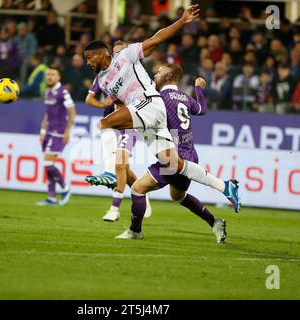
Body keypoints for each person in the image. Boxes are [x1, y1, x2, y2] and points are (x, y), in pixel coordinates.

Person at [83, 4, 240, 238]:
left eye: (89, 57)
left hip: (149, 103)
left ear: (101, 53)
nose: (87, 62)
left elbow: (156, 38)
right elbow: (119, 104)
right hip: (143, 117)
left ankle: (109, 173)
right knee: (174, 165)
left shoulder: (124, 56)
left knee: (104, 124)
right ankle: (224, 186)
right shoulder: (103, 81)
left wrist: (181, 21)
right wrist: (117, 114)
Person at [116, 63, 227, 242]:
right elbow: (202, 109)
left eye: (159, 72)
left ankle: (135, 232)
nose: (155, 74)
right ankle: (215, 222)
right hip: (190, 154)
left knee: (137, 189)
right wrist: (199, 88)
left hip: (173, 157)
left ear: (169, 76)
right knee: (178, 196)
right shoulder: (184, 97)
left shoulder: (160, 98)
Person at [85, 41, 151, 222]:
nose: (118, 57)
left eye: (122, 53)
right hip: (113, 121)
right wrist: (103, 103)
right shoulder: (102, 76)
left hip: (130, 120)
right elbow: (89, 98)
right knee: (124, 168)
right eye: (116, 53)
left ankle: (114, 207)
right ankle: (141, 193)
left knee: (119, 165)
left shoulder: (133, 72)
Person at [36, 66, 76, 206]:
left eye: (53, 74)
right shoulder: (47, 91)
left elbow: (72, 112)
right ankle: (51, 197)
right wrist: (42, 131)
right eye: (48, 74)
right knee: (48, 165)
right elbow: (48, 113)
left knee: (48, 163)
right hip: (49, 131)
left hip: (59, 132)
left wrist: (67, 130)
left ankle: (65, 188)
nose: (50, 77)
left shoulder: (63, 92)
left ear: (58, 78)